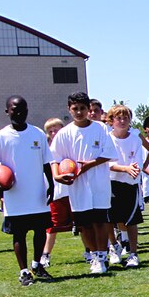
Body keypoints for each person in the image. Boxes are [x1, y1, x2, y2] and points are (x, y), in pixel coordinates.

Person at [0, 96, 55, 286]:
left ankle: (37, 265)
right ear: (7, 111)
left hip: (37, 193)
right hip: (15, 195)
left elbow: (46, 163)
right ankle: (24, 271)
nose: (19, 112)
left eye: (22, 109)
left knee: (40, 230)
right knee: (20, 234)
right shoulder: (0, 137)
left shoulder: (37, 133)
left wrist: (52, 184)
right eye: (14, 109)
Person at [51, 92, 117, 275]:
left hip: (98, 183)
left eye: (82, 108)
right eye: (75, 109)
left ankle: (103, 255)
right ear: (69, 109)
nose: (79, 112)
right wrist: (57, 176)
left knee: (100, 221)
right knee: (84, 224)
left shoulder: (101, 129)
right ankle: (94, 256)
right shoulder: (64, 133)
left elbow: (109, 153)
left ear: (89, 109)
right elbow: (55, 158)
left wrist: (90, 164)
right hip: (77, 186)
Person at [106, 104, 149, 267]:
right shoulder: (107, 138)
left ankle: (133, 254)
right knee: (110, 220)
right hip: (110, 183)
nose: (123, 121)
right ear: (111, 121)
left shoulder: (135, 138)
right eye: (119, 118)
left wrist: (134, 169)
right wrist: (124, 168)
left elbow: (137, 161)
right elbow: (107, 163)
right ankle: (114, 247)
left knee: (131, 221)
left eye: (126, 117)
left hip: (130, 184)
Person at [41, 117, 73, 268]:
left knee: (81, 223)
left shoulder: (70, 146)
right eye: (50, 130)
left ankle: (89, 251)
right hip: (56, 192)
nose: (54, 133)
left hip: (72, 190)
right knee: (52, 225)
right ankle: (45, 255)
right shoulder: (45, 150)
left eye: (57, 129)